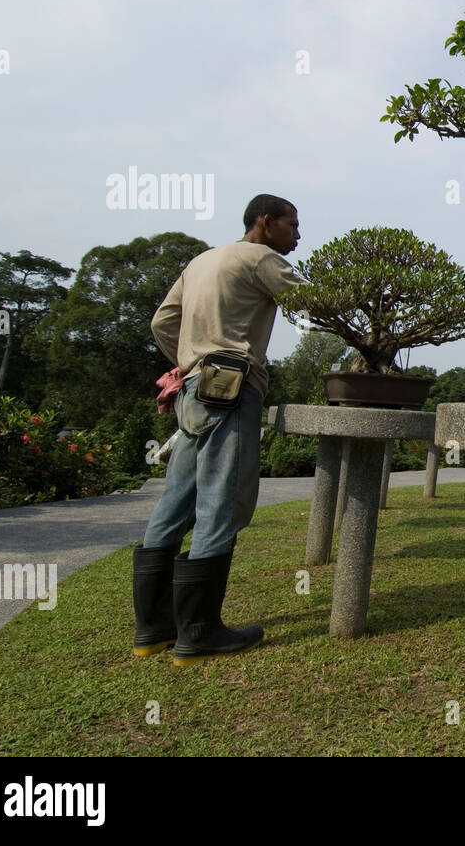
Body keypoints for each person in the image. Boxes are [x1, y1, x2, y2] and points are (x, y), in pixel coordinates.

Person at [132, 194, 305, 665]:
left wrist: (191, 359)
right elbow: (318, 304)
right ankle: (201, 632)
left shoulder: (201, 260)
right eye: (292, 224)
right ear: (265, 222)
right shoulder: (261, 258)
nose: (298, 234)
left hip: (192, 388)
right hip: (232, 388)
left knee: (175, 501)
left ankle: (152, 630)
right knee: (221, 504)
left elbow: (162, 321)